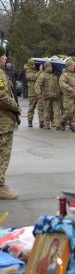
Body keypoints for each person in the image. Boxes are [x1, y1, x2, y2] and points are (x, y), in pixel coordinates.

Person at [0, 45, 21, 200]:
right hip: (3, 122)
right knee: (3, 154)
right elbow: (2, 96)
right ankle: (0, 187)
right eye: (4, 55)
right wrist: (16, 107)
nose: (6, 58)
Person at [59, 59, 75, 132]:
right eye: (71, 66)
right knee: (69, 112)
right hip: (69, 96)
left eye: (73, 66)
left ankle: (74, 126)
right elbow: (61, 83)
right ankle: (62, 122)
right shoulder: (64, 75)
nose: (73, 67)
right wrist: (68, 87)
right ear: (67, 67)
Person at [35, 62, 61, 130]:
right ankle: (46, 124)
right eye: (48, 67)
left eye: (50, 67)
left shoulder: (56, 74)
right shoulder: (42, 75)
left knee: (57, 110)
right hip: (47, 96)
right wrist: (38, 93)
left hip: (55, 96)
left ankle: (57, 124)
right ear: (45, 68)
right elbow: (37, 84)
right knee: (47, 110)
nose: (50, 68)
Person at [26, 59, 44, 128]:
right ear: (30, 65)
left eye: (34, 64)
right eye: (32, 65)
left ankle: (41, 122)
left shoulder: (38, 70)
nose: (34, 66)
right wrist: (40, 71)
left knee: (41, 108)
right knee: (31, 108)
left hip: (39, 91)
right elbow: (34, 77)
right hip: (32, 92)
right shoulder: (28, 72)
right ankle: (30, 121)